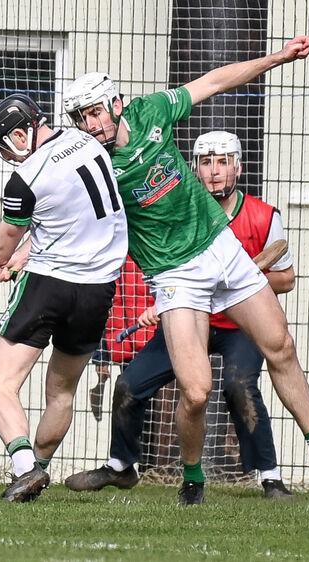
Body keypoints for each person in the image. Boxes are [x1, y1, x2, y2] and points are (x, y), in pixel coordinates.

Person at [63, 36, 309, 506]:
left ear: (117, 104)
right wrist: (21, 254)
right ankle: (192, 477)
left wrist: (279, 58)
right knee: (198, 390)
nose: (92, 123)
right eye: (82, 117)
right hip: (174, 275)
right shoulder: (95, 167)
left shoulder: (150, 113)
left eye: (96, 111)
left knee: (281, 346)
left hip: (220, 249)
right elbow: (66, 215)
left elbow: (216, 80)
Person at [0, 93, 128, 502]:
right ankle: (37, 471)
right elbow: (66, 217)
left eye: (4, 146)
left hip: (47, 286)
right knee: (62, 393)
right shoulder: (87, 142)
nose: (6, 157)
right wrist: (17, 257)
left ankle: (24, 468)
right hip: (98, 289)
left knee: (0, 386)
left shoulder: (25, 179)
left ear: (21, 133)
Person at [66, 131, 295, 499]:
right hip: (186, 319)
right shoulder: (174, 207)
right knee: (129, 386)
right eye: (206, 163)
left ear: (238, 167)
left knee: (240, 386)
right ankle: (121, 465)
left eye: (223, 162)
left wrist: (241, 281)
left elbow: (286, 279)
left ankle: (270, 476)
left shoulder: (263, 215)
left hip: (236, 325)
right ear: (193, 169)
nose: (215, 172)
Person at [89, 255, 157, 422]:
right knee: (133, 403)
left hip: (152, 341)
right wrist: (101, 358)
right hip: (126, 342)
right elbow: (100, 312)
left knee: (149, 406)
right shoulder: (116, 256)